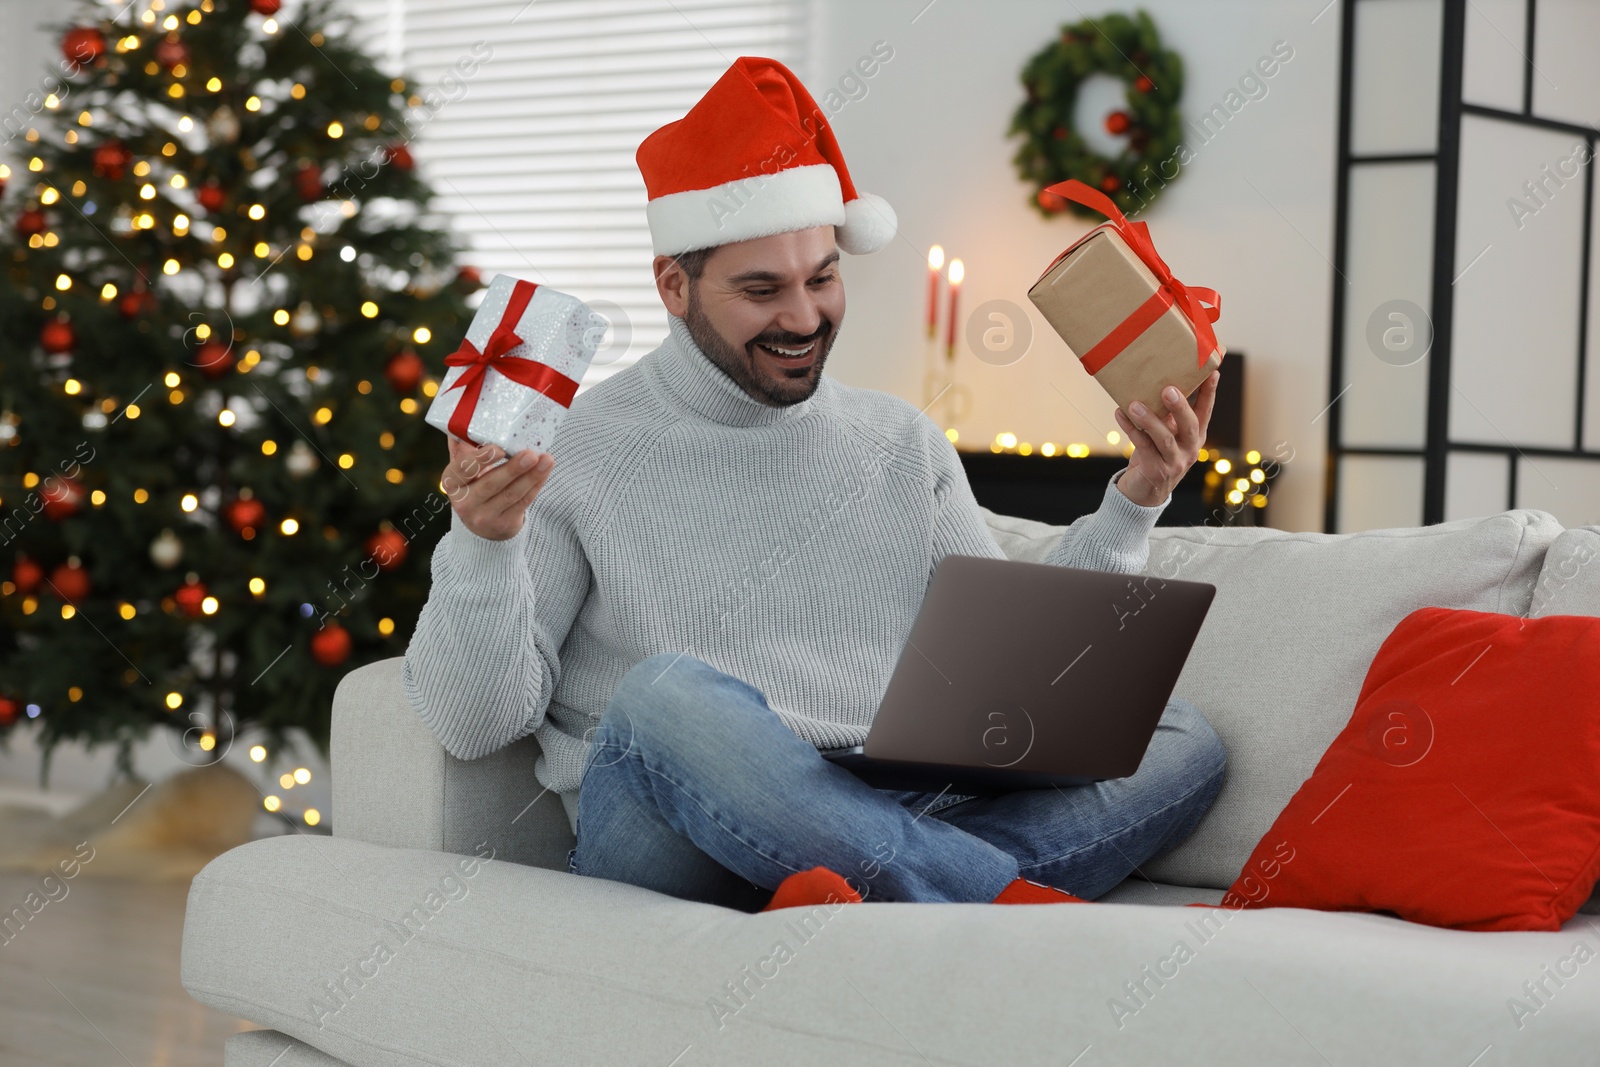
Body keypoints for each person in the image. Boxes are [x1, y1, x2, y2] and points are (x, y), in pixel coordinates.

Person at [404, 56, 1225, 913]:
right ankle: (979, 897)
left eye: (822, 278)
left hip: (883, 800)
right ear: (673, 286)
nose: (802, 318)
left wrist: (1138, 494)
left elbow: (1024, 674)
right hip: (682, 822)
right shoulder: (573, 450)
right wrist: (484, 543)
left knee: (1184, 737)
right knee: (661, 695)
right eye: (762, 289)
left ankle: (867, 891)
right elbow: (474, 722)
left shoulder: (899, 440)